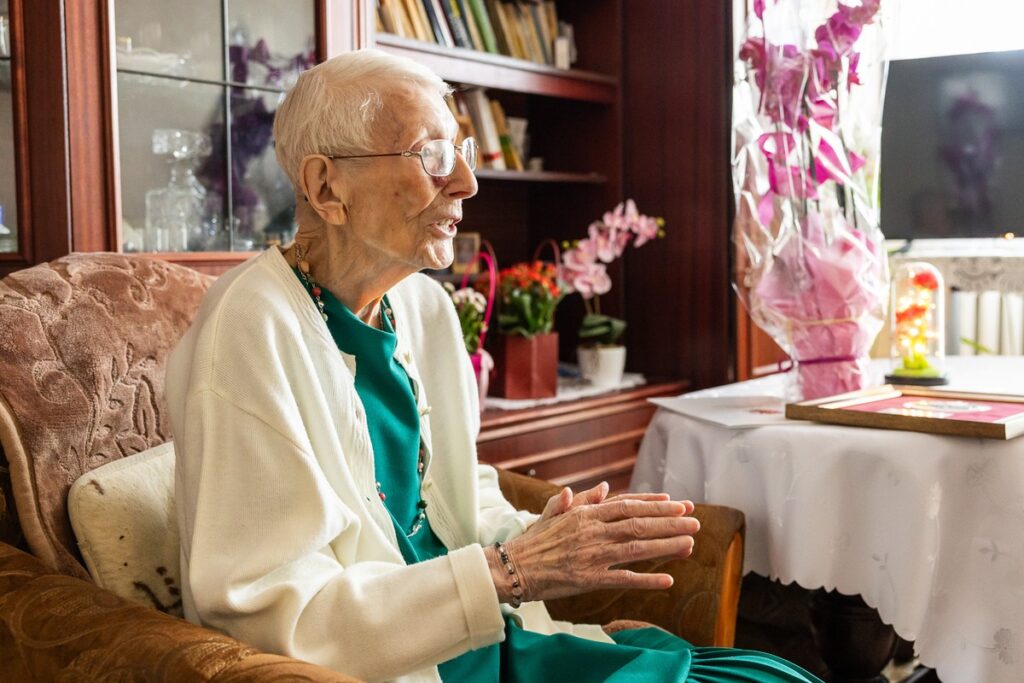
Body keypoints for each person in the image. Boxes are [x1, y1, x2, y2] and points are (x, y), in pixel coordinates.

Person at [166, 49, 822, 683]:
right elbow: (271, 619)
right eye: (432, 155)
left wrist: (544, 534)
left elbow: (453, 487)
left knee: (772, 674)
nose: (468, 182)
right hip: (409, 668)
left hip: (494, 643)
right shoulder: (250, 329)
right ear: (325, 186)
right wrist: (508, 570)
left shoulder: (421, 306)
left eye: (462, 151)